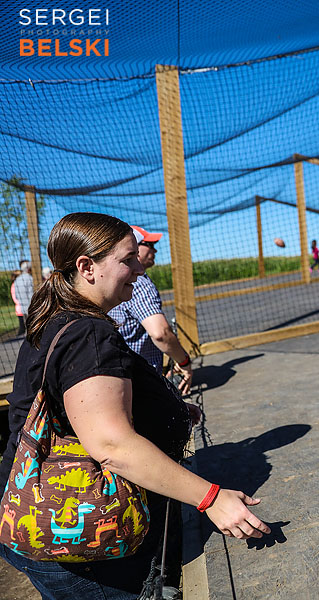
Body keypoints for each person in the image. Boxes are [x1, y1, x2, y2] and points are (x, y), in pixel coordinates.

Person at [0, 212, 269, 599]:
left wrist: (162, 409)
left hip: (32, 520)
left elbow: (74, 408)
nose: (138, 271)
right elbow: (111, 446)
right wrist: (210, 498)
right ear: (86, 267)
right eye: (127, 260)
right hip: (78, 537)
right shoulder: (88, 335)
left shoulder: (56, 318)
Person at [108, 225, 193, 395]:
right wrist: (184, 363)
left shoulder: (112, 282)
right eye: (149, 244)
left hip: (118, 381)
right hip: (142, 382)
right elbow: (161, 333)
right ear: (133, 248)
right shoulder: (140, 284)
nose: (154, 250)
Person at [11, 260, 34, 336]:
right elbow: (32, 294)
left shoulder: (17, 280)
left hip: (22, 308)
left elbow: (16, 296)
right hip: (31, 308)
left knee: (27, 330)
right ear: (28, 269)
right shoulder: (30, 278)